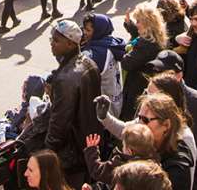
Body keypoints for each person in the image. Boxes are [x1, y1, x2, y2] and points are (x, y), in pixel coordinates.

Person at [45, 19, 102, 185]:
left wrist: (47, 151)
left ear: (70, 44)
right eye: (51, 39)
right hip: (90, 140)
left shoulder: (66, 78)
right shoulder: (88, 62)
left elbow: (60, 122)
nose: (52, 44)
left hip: (74, 149)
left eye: (56, 41)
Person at [135, 93, 194, 190]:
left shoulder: (177, 168)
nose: (139, 124)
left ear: (166, 125)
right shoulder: (137, 146)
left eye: (145, 120)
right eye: (139, 118)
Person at [120, 7, 167, 119]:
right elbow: (137, 33)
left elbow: (126, 63)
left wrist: (121, 52)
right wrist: (129, 24)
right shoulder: (155, 38)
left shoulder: (145, 45)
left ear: (147, 24)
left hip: (137, 88)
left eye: (138, 21)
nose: (137, 25)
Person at [84, 125, 158, 188]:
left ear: (129, 151)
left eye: (123, 146)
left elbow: (97, 171)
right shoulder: (153, 168)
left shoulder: (120, 165)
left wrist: (92, 150)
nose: (122, 148)